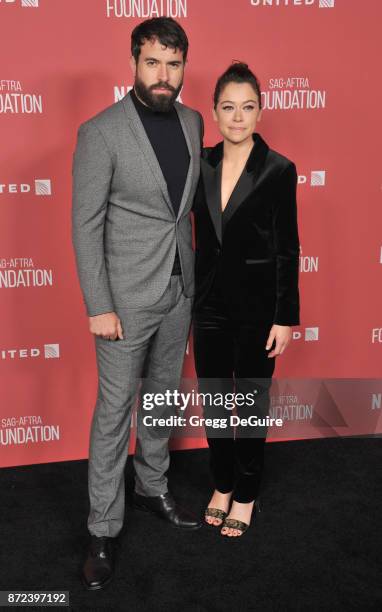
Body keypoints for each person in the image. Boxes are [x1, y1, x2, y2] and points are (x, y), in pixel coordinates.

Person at [72, 17, 203, 590]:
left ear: (183, 69)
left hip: (178, 290)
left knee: (165, 397)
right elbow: (85, 224)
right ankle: (102, 526)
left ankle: (153, 488)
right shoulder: (101, 131)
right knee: (114, 413)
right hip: (122, 302)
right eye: (153, 63)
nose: (163, 75)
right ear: (133, 63)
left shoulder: (195, 122)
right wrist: (99, 304)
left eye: (173, 65)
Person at [193, 62, 300, 538]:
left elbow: (287, 247)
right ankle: (221, 483)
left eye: (248, 107)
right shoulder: (201, 164)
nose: (238, 117)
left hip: (258, 310)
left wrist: (285, 317)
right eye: (228, 107)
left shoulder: (278, 169)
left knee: (251, 402)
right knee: (215, 400)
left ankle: (248, 492)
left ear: (261, 111)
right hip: (209, 304)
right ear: (214, 112)